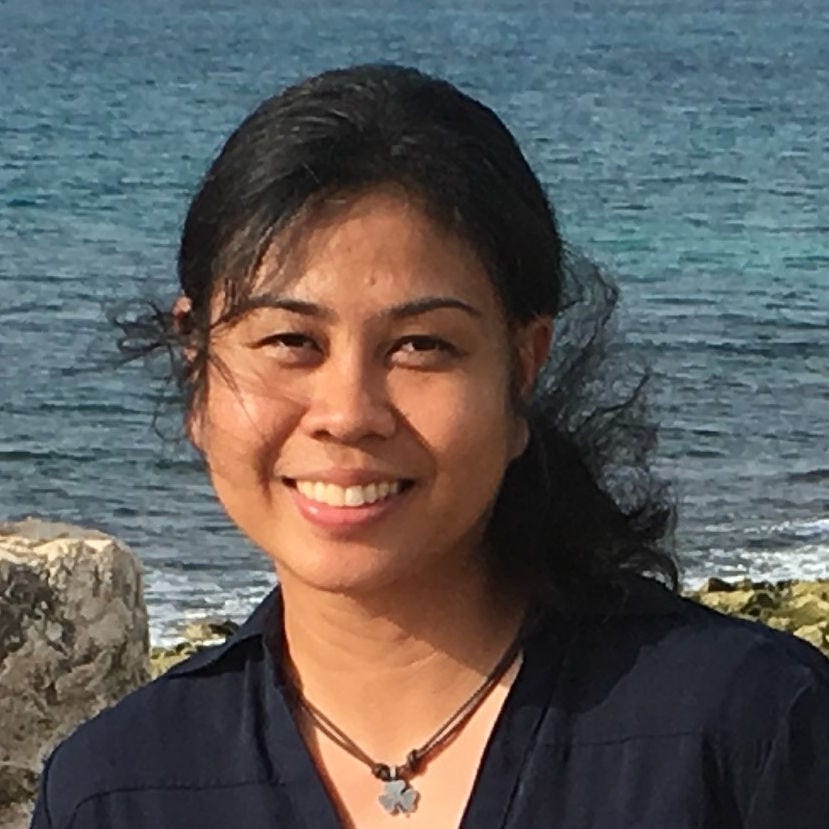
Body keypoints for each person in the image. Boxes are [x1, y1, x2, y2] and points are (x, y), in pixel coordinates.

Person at [31, 64, 828, 829]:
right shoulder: (119, 788)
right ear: (196, 365)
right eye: (289, 340)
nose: (347, 413)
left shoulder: (743, 730)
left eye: (421, 346)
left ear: (521, 368)